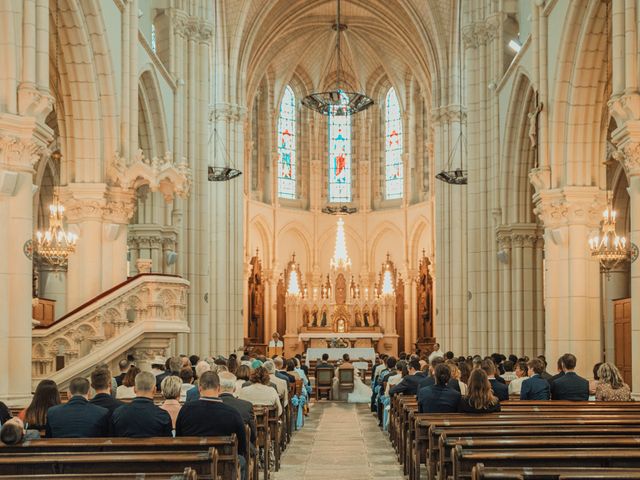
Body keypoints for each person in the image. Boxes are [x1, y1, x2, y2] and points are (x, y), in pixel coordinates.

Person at [176, 371, 247, 480]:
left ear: (199, 388)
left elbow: (179, 438)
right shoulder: (232, 413)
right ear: (219, 389)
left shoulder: (186, 410)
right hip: (223, 465)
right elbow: (242, 444)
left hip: (192, 464)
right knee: (242, 460)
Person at [111, 371, 172, 437]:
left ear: (134, 389)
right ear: (154, 390)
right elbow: (169, 441)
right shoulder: (163, 416)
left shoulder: (118, 413)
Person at [219, 372, 256, 445]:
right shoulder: (246, 406)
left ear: (218, 387)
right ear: (234, 388)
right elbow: (252, 435)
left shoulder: (209, 405)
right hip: (240, 448)